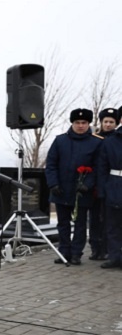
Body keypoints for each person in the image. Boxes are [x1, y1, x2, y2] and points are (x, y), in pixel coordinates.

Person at [45, 108, 103, 265]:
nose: (80, 126)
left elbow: (98, 167)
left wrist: (88, 184)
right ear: (72, 123)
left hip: (82, 192)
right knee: (62, 223)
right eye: (77, 122)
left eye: (84, 123)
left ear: (89, 124)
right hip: (61, 189)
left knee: (80, 224)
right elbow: (51, 164)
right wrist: (53, 183)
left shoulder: (96, 142)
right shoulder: (60, 140)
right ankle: (64, 252)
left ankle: (76, 253)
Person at [89, 107, 119, 261]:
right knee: (95, 218)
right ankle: (96, 248)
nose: (108, 124)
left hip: (112, 184)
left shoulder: (116, 139)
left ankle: (108, 249)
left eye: (111, 122)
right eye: (105, 121)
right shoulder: (94, 138)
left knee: (109, 220)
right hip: (94, 183)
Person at [97, 114, 122, 269]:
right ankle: (115, 257)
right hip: (115, 185)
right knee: (113, 225)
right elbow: (102, 167)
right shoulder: (111, 141)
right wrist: (103, 190)